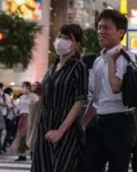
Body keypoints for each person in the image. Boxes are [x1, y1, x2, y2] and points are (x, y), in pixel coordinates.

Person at [80, 9, 137, 172]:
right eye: (99, 27)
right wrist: (83, 122)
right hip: (100, 121)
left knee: (117, 168)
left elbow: (115, 88)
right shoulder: (99, 60)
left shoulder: (125, 57)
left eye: (106, 28)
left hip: (121, 122)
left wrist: (112, 60)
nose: (101, 32)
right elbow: (96, 97)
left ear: (120, 32)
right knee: (87, 166)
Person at [32, 24, 88, 172]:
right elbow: (50, 96)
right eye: (60, 37)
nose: (61, 41)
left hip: (66, 128)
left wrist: (61, 131)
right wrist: (39, 91)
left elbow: (79, 101)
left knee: (63, 166)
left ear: (76, 44)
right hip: (45, 124)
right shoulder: (52, 67)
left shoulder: (79, 67)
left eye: (67, 38)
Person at [11, 81, 38, 161]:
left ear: (28, 87)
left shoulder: (34, 96)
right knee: (20, 135)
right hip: (22, 117)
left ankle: (31, 152)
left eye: (23, 86)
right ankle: (22, 153)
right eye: (21, 86)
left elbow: (36, 107)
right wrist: (13, 107)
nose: (22, 88)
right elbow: (18, 107)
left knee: (27, 135)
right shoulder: (22, 97)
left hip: (29, 117)